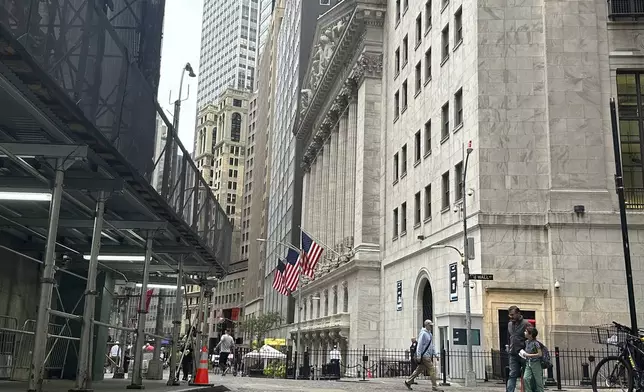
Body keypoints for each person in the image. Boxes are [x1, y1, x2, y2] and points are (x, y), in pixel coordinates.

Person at [405, 320, 441, 391]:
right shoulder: (423, 334)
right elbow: (419, 345)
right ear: (427, 325)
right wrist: (419, 355)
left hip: (427, 355)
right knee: (432, 370)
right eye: (430, 325)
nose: (431, 327)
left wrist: (435, 354)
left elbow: (431, 345)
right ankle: (434, 387)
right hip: (425, 356)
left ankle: (408, 381)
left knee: (419, 369)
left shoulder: (430, 334)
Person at [506, 306, 531, 392]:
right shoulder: (509, 324)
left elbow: (532, 338)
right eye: (510, 315)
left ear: (518, 313)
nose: (511, 317)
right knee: (512, 374)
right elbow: (510, 337)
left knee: (525, 376)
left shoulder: (526, 324)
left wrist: (528, 351)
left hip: (524, 354)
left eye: (512, 315)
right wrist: (509, 347)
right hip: (513, 354)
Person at [520, 327, 544, 392]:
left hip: (536, 363)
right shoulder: (526, 342)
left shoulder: (536, 343)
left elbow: (540, 354)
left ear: (530, 334)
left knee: (538, 381)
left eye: (526, 331)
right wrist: (523, 354)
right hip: (528, 363)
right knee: (525, 378)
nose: (524, 332)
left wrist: (528, 355)